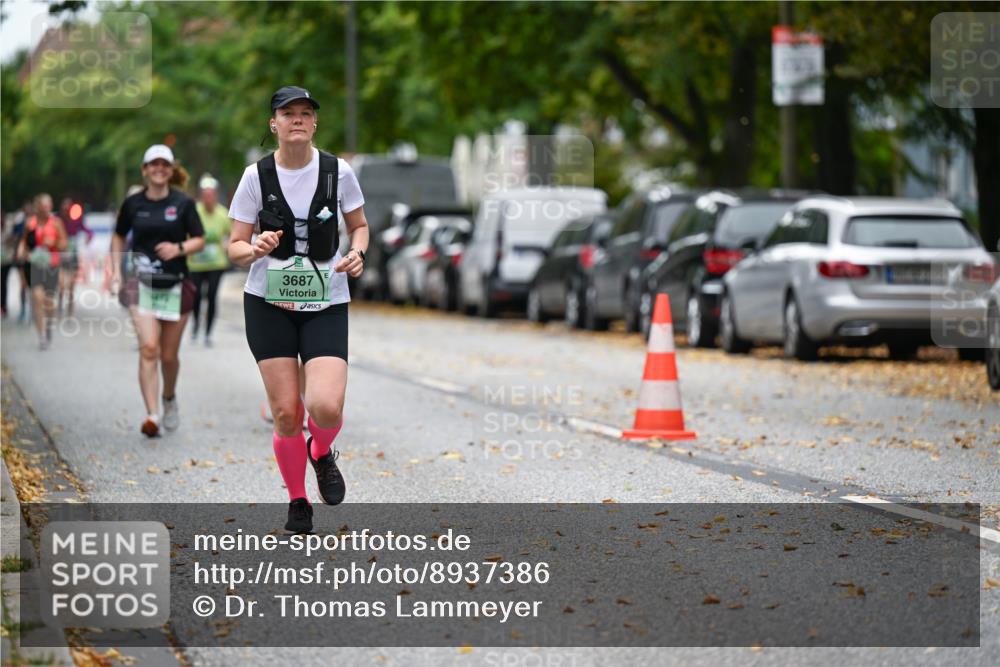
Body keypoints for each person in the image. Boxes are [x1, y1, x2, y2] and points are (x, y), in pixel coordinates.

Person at [228, 86, 368, 533]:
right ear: (274, 123)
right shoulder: (256, 176)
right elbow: (233, 247)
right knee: (287, 412)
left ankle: (321, 451)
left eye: (306, 113)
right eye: (288, 113)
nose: (298, 120)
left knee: (325, 407)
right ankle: (297, 501)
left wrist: (358, 253)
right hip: (268, 302)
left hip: (326, 299)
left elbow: (359, 227)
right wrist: (254, 248)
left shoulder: (337, 172)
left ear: (314, 123)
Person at [109, 145, 205, 437]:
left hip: (176, 284)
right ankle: (152, 414)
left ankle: (169, 398)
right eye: (154, 164)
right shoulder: (133, 204)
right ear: (145, 169)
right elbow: (118, 236)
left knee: (168, 356)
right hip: (142, 284)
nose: (159, 169)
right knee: (149, 347)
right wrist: (116, 271)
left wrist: (178, 248)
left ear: (171, 169)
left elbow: (199, 239)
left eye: (165, 164)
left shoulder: (184, 203)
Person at [15, 194, 67, 348]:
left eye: (48, 206)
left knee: (49, 301)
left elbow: (64, 244)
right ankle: (41, 335)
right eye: (43, 206)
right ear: (37, 207)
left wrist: (55, 242)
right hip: (34, 265)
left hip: (51, 265)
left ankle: (49, 325)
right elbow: (24, 242)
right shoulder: (29, 224)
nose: (46, 209)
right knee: (37, 297)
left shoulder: (56, 223)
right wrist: (22, 252)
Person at [189, 175, 231, 347]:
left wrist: (228, 244)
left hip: (216, 263)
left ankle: (208, 332)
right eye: (205, 194)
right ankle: (196, 323)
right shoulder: (194, 212)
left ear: (215, 195)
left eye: (211, 194)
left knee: (212, 296)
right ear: (201, 195)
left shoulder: (223, 214)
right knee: (196, 295)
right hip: (195, 263)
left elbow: (232, 234)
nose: (208, 197)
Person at [57, 196, 94, 317]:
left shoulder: (76, 219)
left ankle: (69, 308)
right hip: (60, 254)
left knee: (72, 284)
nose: (66, 208)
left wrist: (89, 236)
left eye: (68, 205)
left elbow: (87, 230)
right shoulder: (57, 219)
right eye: (64, 205)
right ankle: (60, 304)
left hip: (72, 254)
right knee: (62, 284)